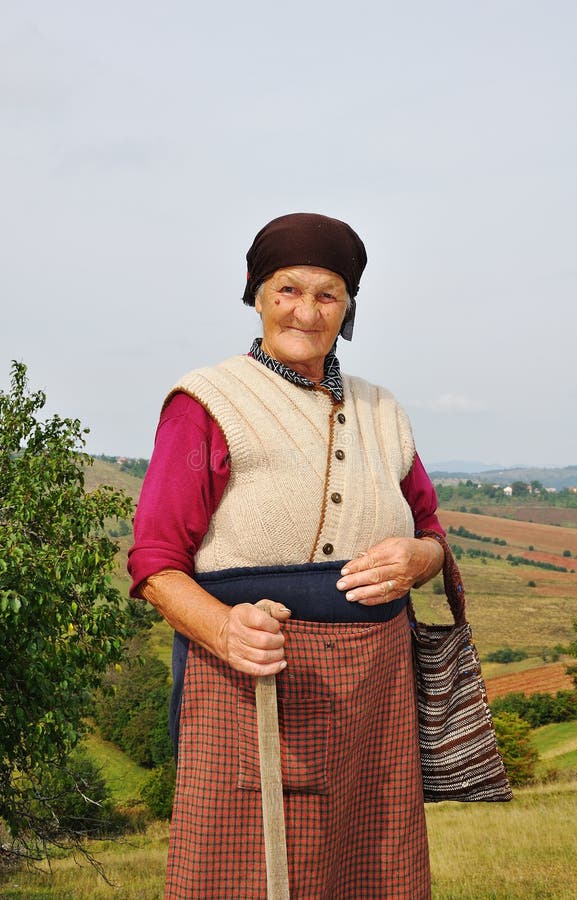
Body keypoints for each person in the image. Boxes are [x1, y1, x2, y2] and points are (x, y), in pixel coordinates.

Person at [128, 212, 445, 899]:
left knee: (371, 867)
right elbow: (154, 561)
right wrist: (223, 629)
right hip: (250, 678)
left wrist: (419, 559)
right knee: (244, 872)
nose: (306, 311)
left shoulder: (383, 410)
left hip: (375, 689)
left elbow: (431, 528)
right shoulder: (207, 403)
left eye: (327, 294)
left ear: (348, 308)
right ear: (256, 294)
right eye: (287, 290)